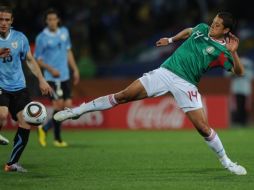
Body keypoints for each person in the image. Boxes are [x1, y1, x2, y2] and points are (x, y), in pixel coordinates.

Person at [54, 12, 247, 175]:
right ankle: (76, 112)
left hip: (186, 84)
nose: (212, 26)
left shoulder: (224, 51)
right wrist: (171, 40)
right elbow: (189, 31)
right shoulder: (202, 28)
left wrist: (235, 53)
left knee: (203, 128)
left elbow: (239, 73)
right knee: (123, 95)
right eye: (213, 22)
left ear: (226, 30)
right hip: (165, 72)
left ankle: (227, 162)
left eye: (217, 25)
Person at [0, 6, 52, 172]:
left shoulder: (20, 38)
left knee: (26, 122)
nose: (3, 23)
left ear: (12, 21)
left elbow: (30, 60)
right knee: (2, 115)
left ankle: (12, 163)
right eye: (0, 19)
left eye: (7, 20)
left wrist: (42, 80)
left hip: (19, 87)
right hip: (0, 86)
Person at [34, 8, 80, 147]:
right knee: (58, 106)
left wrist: (75, 69)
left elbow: (68, 52)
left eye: (54, 19)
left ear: (58, 20)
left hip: (65, 76)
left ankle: (45, 129)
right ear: (46, 21)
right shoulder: (41, 38)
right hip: (51, 78)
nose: (52, 22)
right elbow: (37, 59)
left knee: (67, 107)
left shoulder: (64, 32)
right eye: (49, 20)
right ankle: (57, 138)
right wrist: (51, 69)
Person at [230, 57, 253, 126]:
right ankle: (238, 121)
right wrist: (236, 72)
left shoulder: (248, 64)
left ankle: (244, 121)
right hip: (236, 89)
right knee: (237, 106)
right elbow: (228, 74)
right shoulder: (234, 63)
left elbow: (251, 76)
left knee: (245, 106)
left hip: (245, 90)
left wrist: (242, 72)